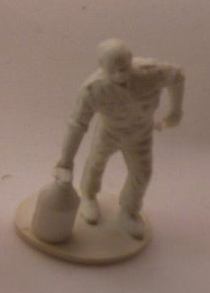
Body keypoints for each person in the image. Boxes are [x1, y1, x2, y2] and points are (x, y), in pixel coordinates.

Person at [53, 39, 185, 239]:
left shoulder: (151, 73)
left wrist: (175, 110)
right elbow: (77, 125)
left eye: (124, 67)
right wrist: (65, 162)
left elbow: (177, 77)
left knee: (142, 174)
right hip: (110, 133)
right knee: (96, 162)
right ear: (102, 66)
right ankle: (88, 196)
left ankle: (129, 211)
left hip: (141, 134)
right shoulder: (94, 89)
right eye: (114, 70)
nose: (121, 74)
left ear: (131, 59)